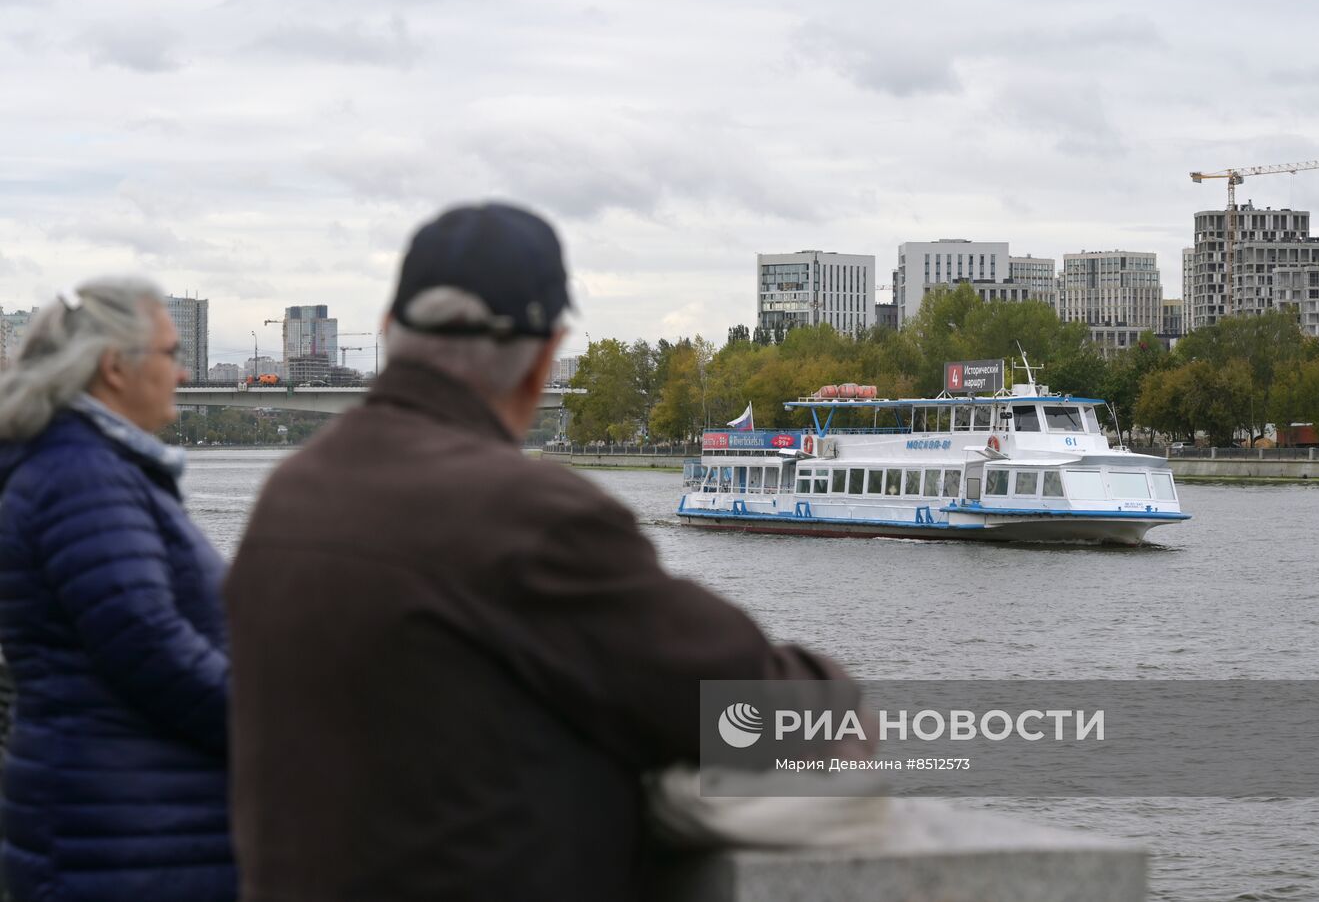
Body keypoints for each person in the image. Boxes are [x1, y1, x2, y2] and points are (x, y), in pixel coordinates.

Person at [223, 203, 861, 901]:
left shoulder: (288, 496)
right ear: (544, 358)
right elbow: (760, 706)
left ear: (387, 331)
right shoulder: (530, 516)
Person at [0, 280, 236, 902]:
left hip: (120, 818)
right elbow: (148, 645)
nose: (184, 374)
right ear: (113, 367)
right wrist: (274, 722)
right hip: (120, 830)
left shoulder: (83, 465)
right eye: (171, 353)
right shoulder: (82, 477)